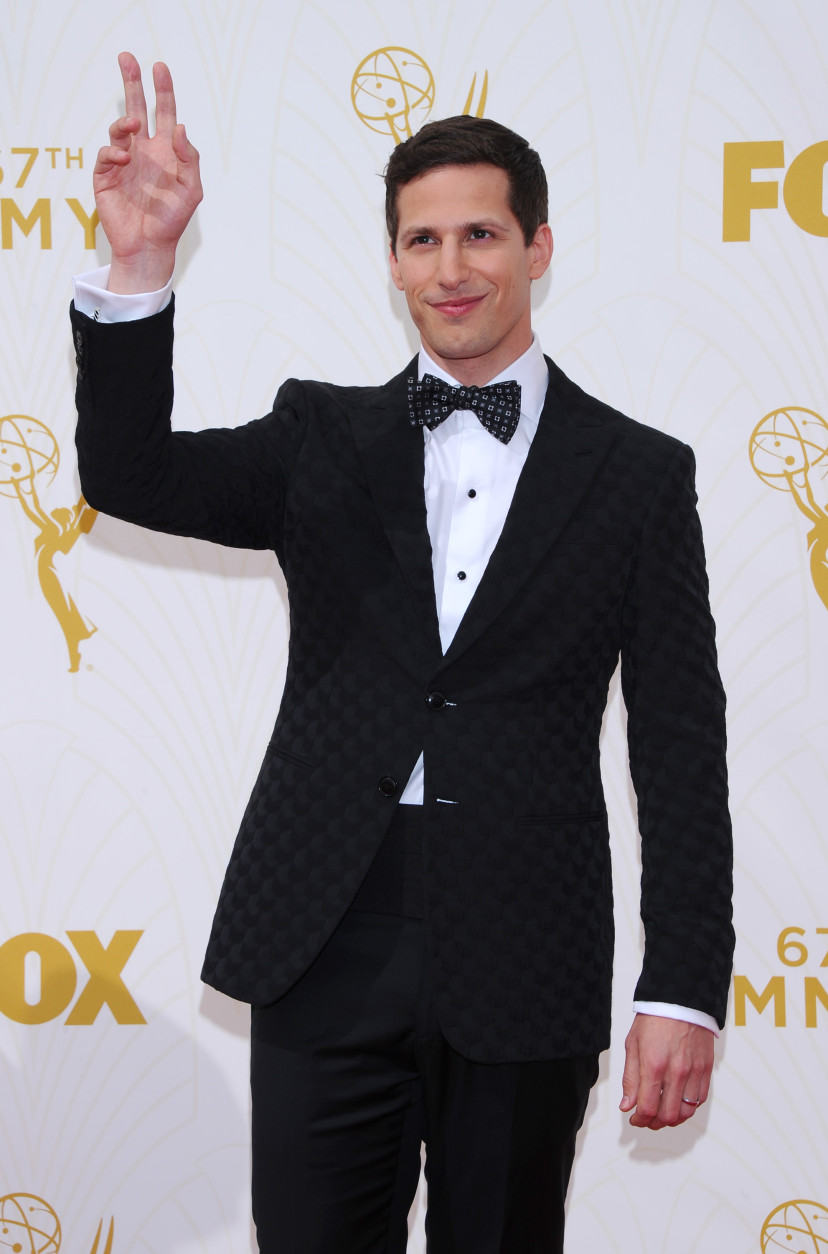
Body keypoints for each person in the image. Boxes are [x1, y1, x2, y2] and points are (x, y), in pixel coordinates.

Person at [71, 52, 734, 1254]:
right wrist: (141, 264)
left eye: (480, 233)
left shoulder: (640, 474)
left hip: (528, 937)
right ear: (392, 263)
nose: (451, 267)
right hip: (328, 924)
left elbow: (682, 746)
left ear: (538, 247)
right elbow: (128, 475)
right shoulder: (319, 435)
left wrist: (683, 983)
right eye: (422, 241)